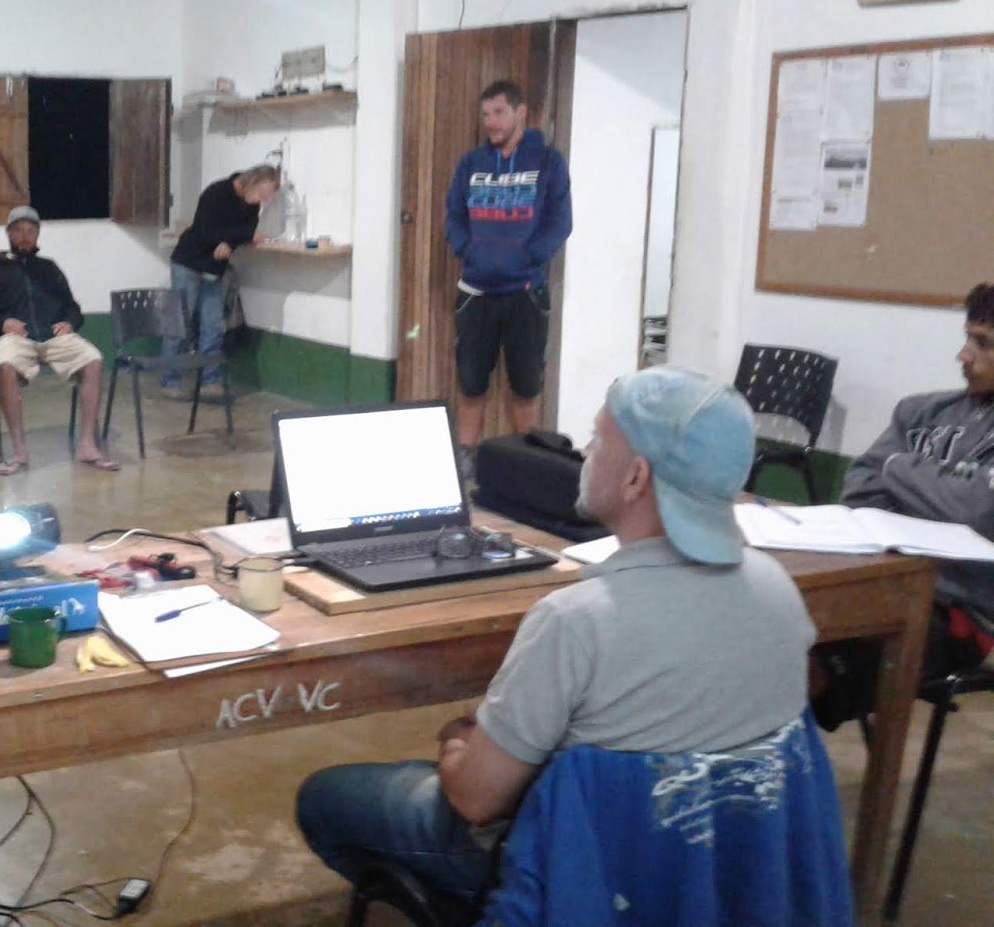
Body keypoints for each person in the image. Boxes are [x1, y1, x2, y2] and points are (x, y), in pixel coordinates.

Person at [295, 366, 814, 907]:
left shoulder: (575, 620)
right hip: (718, 865)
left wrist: (457, 744)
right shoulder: (779, 590)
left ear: (635, 477)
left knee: (324, 798)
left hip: (580, 863)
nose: (585, 452)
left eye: (598, 439)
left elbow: (476, 801)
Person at [812, 283, 994, 726]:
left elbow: (978, 510)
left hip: (955, 612)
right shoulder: (920, 412)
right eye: (967, 338)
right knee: (774, 625)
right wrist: (939, 493)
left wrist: (897, 466)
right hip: (877, 575)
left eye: (984, 343)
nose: (963, 355)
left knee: (811, 668)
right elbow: (860, 491)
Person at [445, 80, 572, 471]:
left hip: (526, 293)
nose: (491, 122)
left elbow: (560, 222)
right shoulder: (471, 164)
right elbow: (454, 216)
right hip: (475, 292)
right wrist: (469, 251)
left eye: (499, 112)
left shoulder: (548, 162)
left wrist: (526, 258)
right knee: (471, 384)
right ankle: (465, 457)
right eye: (485, 114)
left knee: (525, 387)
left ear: (521, 113)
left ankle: (525, 463)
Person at [0, 205, 120, 475]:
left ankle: (87, 445)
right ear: (9, 233)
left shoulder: (49, 268)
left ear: (38, 234)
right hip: (12, 338)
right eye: (19, 230)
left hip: (53, 338)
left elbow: (72, 307)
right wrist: (2, 324)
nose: (25, 236)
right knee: (5, 366)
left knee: (93, 360)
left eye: (31, 231)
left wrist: (70, 322)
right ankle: (19, 450)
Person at [162, 165, 280, 399]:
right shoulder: (216, 193)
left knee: (213, 325)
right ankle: (170, 380)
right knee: (180, 322)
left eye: (266, 198)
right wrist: (235, 238)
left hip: (215, 268)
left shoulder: (251, 204)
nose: (262, 201)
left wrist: (230, 242)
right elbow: (206, 231)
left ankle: (210, 379)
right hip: (189, 263)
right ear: (252, 182)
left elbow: (245, 230)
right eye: (262, 194)